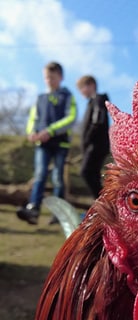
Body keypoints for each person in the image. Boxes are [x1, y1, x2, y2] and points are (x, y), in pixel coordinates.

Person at [17, 62, 77, 225]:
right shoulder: (40, 98)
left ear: (61, 77)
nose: (49, 80)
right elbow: (33, 119)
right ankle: (33, 209)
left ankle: (58, 214)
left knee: (58, 177)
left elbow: (71, 118)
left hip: (60, 144)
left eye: (52, 77)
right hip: (42, 145)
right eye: (46, 77)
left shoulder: (67, 96)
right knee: (40, 174)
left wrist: (50, 131)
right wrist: (31, 132)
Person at [76, 75, 110, 199]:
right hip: (93, 145)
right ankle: (103, 206)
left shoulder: (98, 99)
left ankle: (104, 203)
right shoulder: (91, 103)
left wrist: (87, 139)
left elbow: (97, 121)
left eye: (82, 88)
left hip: (96, 145)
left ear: (91, 85)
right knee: (94, 175)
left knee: (86, 172)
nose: (81, 92)